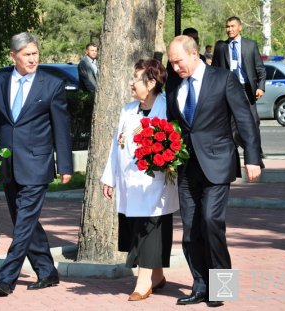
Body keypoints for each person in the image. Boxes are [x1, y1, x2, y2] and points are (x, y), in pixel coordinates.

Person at [166, 35, 263, 306]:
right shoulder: (174, 85)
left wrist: (252, 158)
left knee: (211, 223)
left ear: (194, 53)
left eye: (178, 62)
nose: (174, 68)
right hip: (187, 169)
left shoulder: (223, 79)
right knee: (190, 231)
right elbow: (174, 124)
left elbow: (245, 118)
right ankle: (200, 285)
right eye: (171, 63)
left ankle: (223, 288)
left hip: (218, 164)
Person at [0, 32, 73, 296]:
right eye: (27, 55)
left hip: (37, 164)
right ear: (13, 56)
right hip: (8, 165)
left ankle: (6, 278)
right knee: (26, 220)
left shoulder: (52, 84)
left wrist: (65, 165)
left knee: (22, 223)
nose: (33, 59)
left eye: (35, 53)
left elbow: (61, 128)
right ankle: (47, 272)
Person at [101, 59, 179, 301]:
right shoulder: (127, 110)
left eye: (136, 79)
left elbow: (172, 144)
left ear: (152, 83)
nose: (131, 83)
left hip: (154, 183)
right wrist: (109, 178)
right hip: (130, 185)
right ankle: (156, 276)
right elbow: (117, 146)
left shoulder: (166, 108)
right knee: (137, 230)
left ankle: (143, 282)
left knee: (150, 230)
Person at [213, 16, 266, 158]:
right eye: (227, 26)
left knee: (253, 121)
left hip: (247, 89)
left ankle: (256, 152)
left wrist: (260, 87)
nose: (229, 29)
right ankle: (232, 152)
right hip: (228, 89)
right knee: (230, 122)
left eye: (232, 26)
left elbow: (260, 69)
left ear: (240, 27)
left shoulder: (250, 45)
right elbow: (215, 70)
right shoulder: (220, 47)